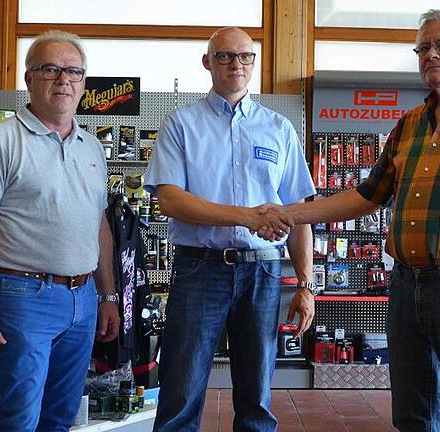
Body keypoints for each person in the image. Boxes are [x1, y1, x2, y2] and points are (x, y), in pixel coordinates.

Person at [262, 9, 440, 432]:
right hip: (406, 281)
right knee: (411, 412)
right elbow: (365, 197)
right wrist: (289, 212)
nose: (431, 54)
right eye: (423, 47)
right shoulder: (409, 124)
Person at [144, 26, 316, 432]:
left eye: (244, 56)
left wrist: (306, 284)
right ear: (208, 62)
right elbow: (169, 200)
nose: (235, 64)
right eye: (224, 56)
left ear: (253, 64)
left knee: (257, 395)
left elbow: (300, 214)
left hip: (263, 271)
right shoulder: (181, 124)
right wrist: (247, 216)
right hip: (199, 269)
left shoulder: (279, 128)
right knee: (181, 389)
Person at [0, 30, 120, 432]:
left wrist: (108, 295)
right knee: (18, 418)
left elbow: (97, 225)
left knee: (60, 417)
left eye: (73, 71)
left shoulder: (91, 146)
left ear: (83, 83)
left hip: (82, 300)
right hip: (22, 296)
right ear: (29, 79)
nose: (63, 79)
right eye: (50, 69)